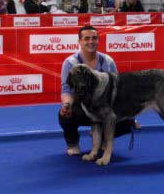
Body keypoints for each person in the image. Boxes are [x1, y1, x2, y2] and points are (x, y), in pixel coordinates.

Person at [58, 26, 136, 155]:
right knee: (65, 115)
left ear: (98, 40)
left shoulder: (108, 61)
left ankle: (104, 138)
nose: (91, 41)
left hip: (105, 108)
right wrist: (67, 104)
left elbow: (118, 88)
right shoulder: (70, 62)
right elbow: (66, 89)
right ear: (79, 41)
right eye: (86, 38)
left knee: (128, 121)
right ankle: (73, 144)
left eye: (94, 38)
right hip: (82, 108)